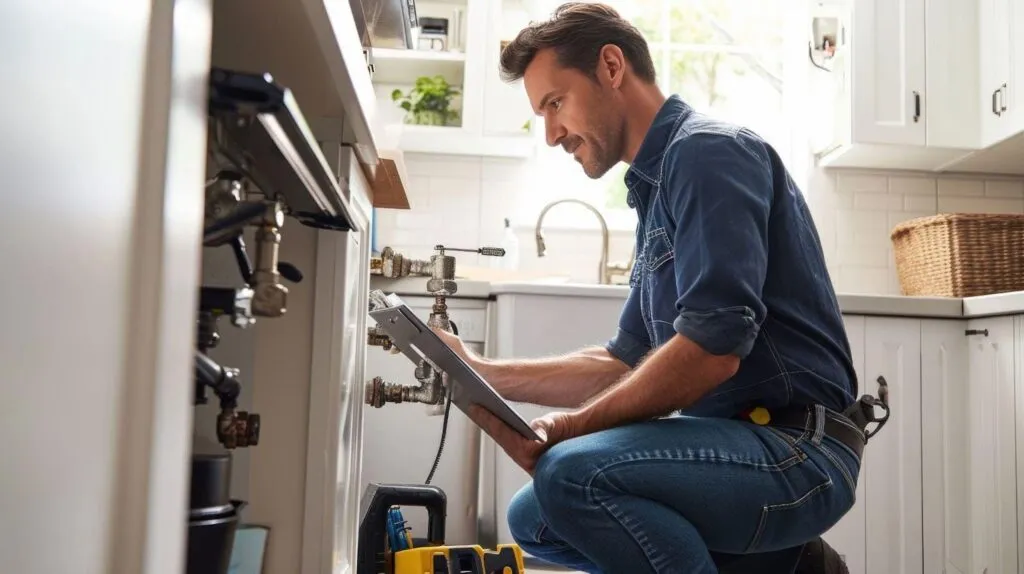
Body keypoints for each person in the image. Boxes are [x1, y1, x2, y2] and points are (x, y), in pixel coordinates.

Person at [435, 3, 886, 573]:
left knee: (572, 474)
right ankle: (788, 566)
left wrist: (569, 429)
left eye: (555, 103)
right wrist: (481, 375)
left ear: (611, 66)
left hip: (800, 452)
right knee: (535, 517)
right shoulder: (658, 189)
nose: (550, 134)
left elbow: (712, 351)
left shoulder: (708, 153)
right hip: (739, 443)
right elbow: (623, 362)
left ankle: (780, 559)